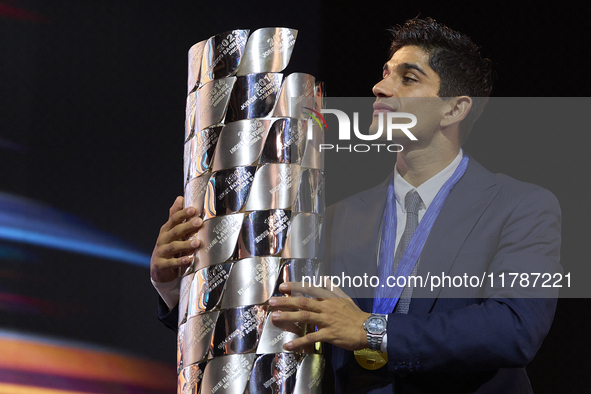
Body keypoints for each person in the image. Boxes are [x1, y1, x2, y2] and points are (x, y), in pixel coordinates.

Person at [152, 18, 561, 393]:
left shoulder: (522, 207)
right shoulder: (332, 218)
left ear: (454, 108)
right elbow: (265, 319)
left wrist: (372, 331)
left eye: (408, 78)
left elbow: (515, 328)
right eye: (384, 74)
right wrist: (178, 285)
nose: (380, 88)